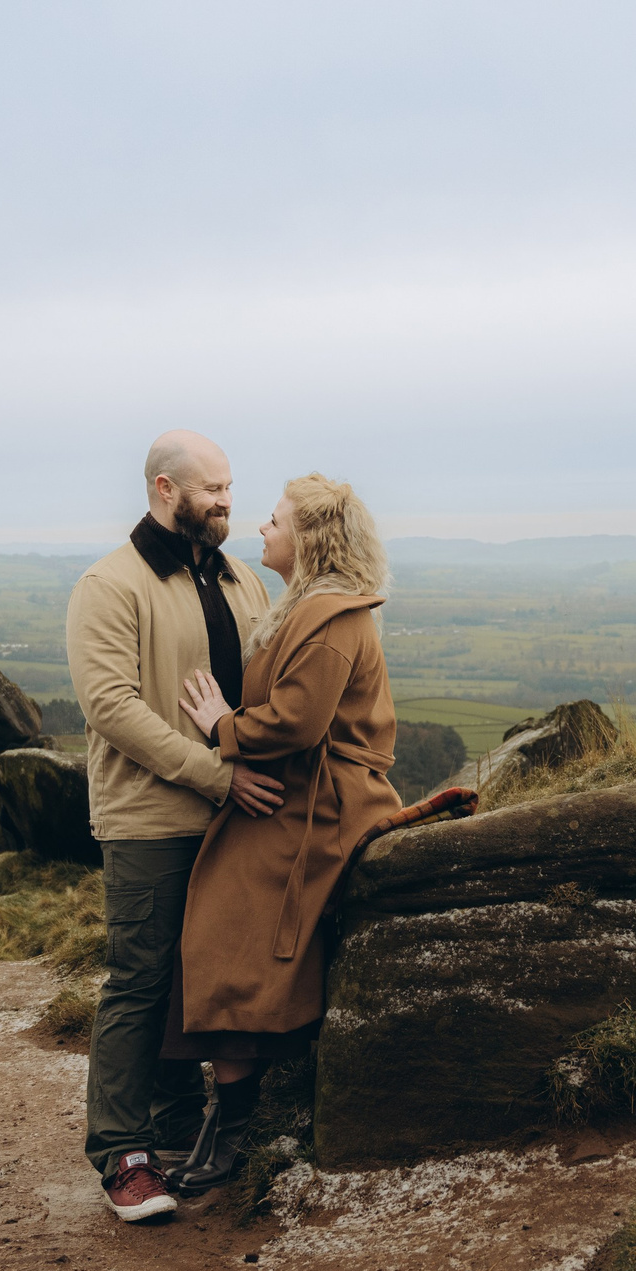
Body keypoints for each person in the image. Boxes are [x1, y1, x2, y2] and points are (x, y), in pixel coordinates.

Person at [66, 430, 285, 1224]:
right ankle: (121, 1154)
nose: (228, 502)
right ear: (165, 489)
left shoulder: (235, 579)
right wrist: (215, 775)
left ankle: (182, 1128)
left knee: (209, 978)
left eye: (230, 487)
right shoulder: (110, 585)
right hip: (151, 818)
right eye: (212, 490)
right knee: (141, 979)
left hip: (238, 815)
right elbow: (112, 708)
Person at [167, 473, 401, 1193]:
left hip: (330, 801)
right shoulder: (306, 607)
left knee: (229, 914)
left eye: (274, 521)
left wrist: (222, 727)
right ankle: (229, 1108)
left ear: (310, 539)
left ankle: (231, 1121)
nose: (260, 531)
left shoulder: (331, 615)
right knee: (221, 913)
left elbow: (300, 721)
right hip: (299, 790)